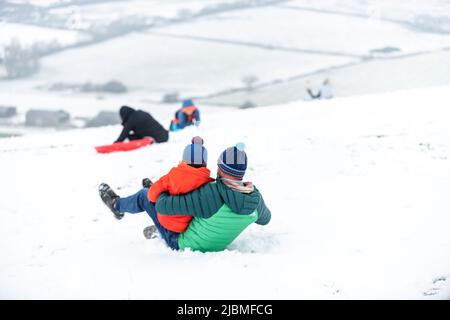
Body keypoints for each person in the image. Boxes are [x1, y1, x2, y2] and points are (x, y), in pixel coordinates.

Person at [98, 143, 271, 252]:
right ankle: (159, 230)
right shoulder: (255, 199)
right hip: (217, 244)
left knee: (145, 196)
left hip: (182, 243)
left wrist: (159, 189)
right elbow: (265, 219)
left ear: (220, 167)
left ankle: (116, 205)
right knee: (192, 211)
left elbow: (163, 206)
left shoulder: (211, 193)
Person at [147, 136, 214, 233]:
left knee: (144, 194)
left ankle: (162, 230)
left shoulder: (173, 175)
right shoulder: (207, 181)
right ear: (204, 163)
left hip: (166, 219)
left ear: (184, 160)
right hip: (186, 226)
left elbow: (151, 196)